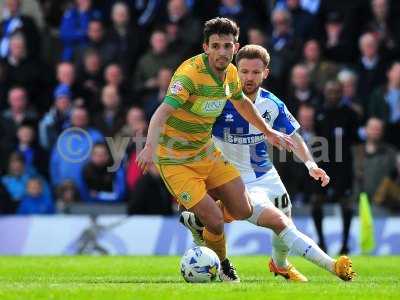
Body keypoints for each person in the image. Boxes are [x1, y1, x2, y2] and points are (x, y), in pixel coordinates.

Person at [136, 17, 295, 282]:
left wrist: (268, 131)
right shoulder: (189, 76)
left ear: (236, 47)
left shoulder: (232, 73)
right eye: (216, 46)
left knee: (243, 210)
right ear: (206, 47)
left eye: (227, 46)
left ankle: (198, 221)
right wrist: (149, 147)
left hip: (206, 152)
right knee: (216, 220)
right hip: (176, 160)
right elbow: (162, 112)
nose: (222, 52)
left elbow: (242, 102)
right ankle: (222, 264)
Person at [181, 44, 355, 282]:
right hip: (234, 179)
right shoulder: (219, 100)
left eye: (255, 72)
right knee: (281, 222)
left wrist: (310, 165)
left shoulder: (271, 103)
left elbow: (294, 137)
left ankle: (280, 265)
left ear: (266, 73)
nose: (249, 77)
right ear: (234, 70)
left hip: (266, 174)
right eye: (243, 71)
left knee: (286, 218)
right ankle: (333, 266)